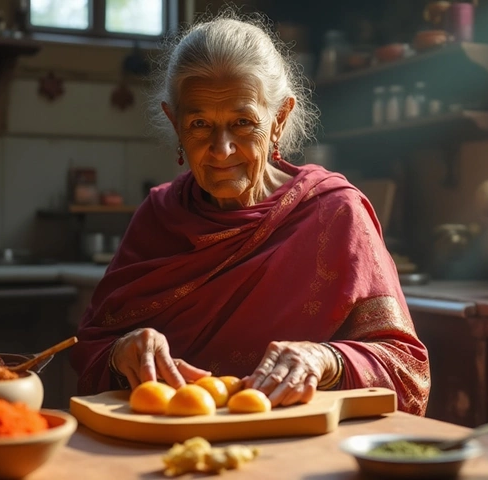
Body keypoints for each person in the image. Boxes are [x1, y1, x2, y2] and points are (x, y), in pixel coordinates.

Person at [70, 11, 430, 415]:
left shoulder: (335, 213)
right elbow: (88, 349)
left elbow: (407, 373)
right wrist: (123, 352)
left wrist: (325, 361)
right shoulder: (159, 215)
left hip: (299, 455)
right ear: (175, 123)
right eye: (200, 123)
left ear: (278, 120)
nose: (221, 149)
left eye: (242, 122)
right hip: (170, 452)